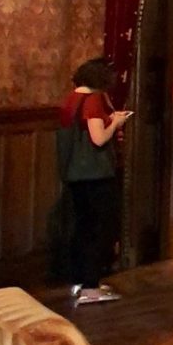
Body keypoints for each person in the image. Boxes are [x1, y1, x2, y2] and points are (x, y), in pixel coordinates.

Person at [57, 58, 131, 304]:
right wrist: (116, 122)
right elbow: (98, 138)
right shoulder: (93, 100)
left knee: (81, 228)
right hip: (94, 174)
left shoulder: (71, 99)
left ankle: (79, 281)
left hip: (74, 173)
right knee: (97, 229)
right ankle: (91, 286)